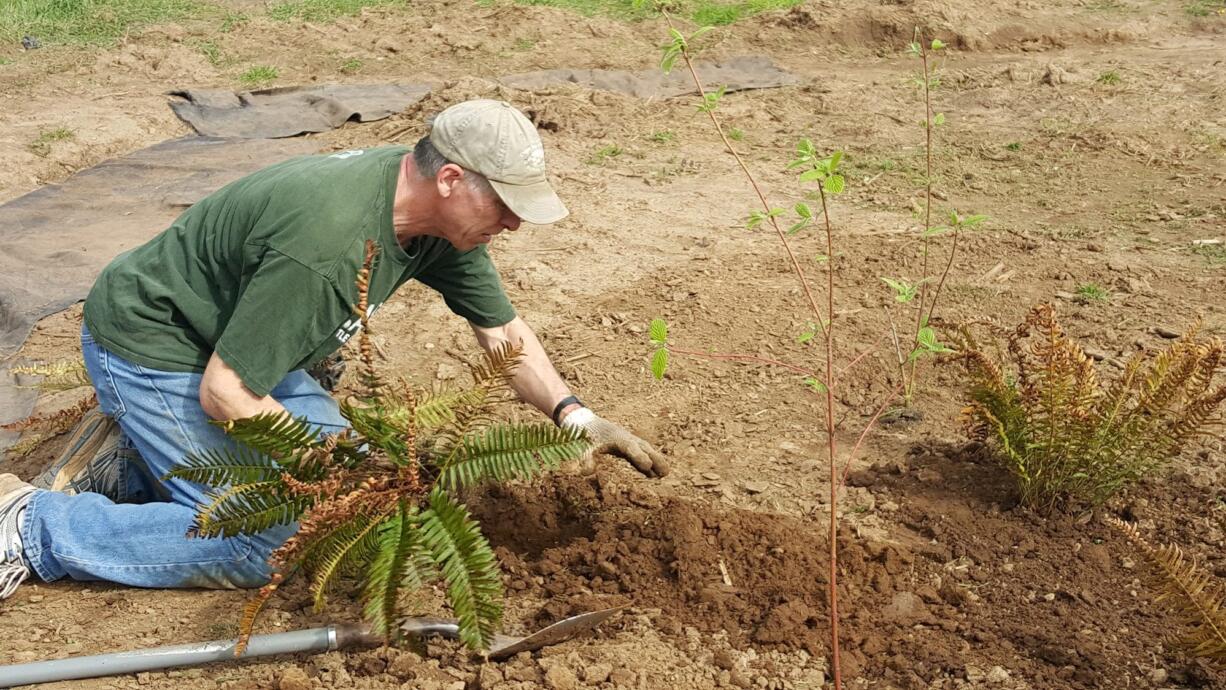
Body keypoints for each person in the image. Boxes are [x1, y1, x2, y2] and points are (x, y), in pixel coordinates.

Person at [0, 99, 669, 598]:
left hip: (239, 345)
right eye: (506, 204)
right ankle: (34, 525)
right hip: (155, 348)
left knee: (373, 477)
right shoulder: (329, 244)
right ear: (451, 178)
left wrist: (575, 416)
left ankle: (142, 464)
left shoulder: (437, 221)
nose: (516, 222)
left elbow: (503, 335)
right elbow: (226, 393)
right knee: (272, 540)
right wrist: (325, 471)